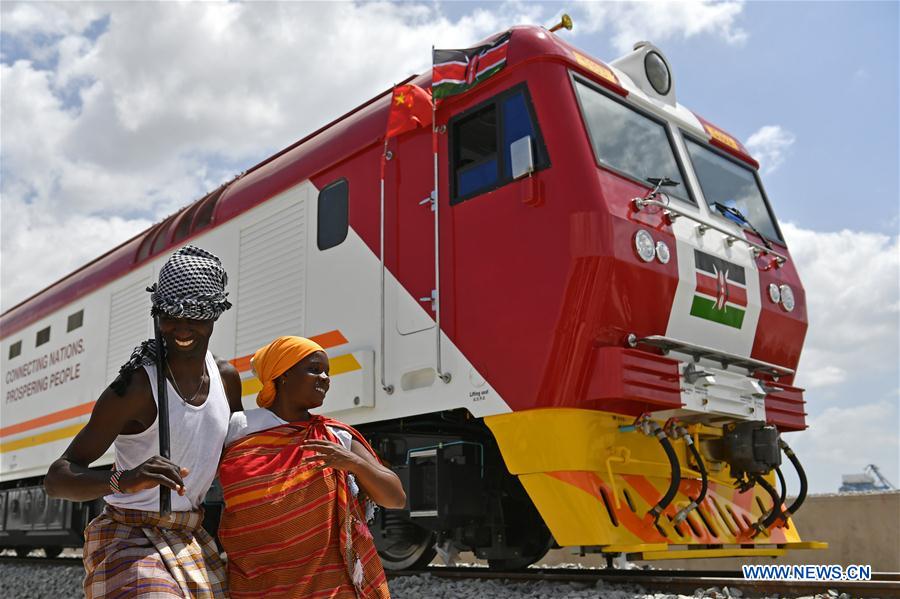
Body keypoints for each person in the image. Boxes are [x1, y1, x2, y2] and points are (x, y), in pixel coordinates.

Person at [44, 245, 243, 598]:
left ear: (214, 314)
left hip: (189, 535)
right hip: (128, 536)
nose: (181, 327)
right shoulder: (136, 387)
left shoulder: (226, 379)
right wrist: (127, 479)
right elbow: (57, 479)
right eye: (169, 315)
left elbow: (240, 456)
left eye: (195, 315)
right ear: (156, 314)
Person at [218, 336, 405, 598]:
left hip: (329, 585)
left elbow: (395, 498)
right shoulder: (238, 428)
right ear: (283, 375)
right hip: (256, 584)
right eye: (315, 369)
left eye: (327, 372)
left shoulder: (334, 435)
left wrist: (353, 463)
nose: (326, 378)